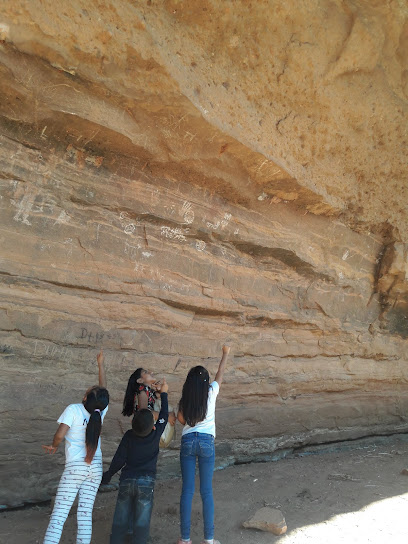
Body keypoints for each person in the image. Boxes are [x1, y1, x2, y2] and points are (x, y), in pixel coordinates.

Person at [42, 349, 109, 544]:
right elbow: (103, 391)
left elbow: (60, 434)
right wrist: (101, 365)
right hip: (94, 469)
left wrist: (54, 445)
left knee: (59, 515)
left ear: (86, 398)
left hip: (75, 468)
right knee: (85, 514)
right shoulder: (100, 413)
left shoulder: (74, 409)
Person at [101, 379, 169, 544]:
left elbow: (119, 458)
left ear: (132, 424)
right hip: (146, 482)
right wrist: (164, 393)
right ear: (153, 426)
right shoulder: (155, 433)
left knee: (120, 519)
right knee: (142, 521)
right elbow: (164, 415)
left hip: (127, 480)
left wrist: (108, 475)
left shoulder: (129, 436)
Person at [177, 345, 231, 544]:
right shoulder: (211, 392)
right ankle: (209, 540)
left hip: (188, 441)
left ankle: (185, 539)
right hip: (207, 441)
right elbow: (220, 374)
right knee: (206, 491)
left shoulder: (186, 398)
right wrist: (225, 353)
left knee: (187, 491)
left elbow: (182, 421)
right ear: (206, 382)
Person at [122, 367, 176, 444]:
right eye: (146, 372)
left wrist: (160, 391)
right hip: (146, 431)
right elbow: (144, 413)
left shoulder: (149, 391)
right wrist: (166, 417)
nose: (151, 372)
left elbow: (162, 401)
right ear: (140, 380)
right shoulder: (142, 390)